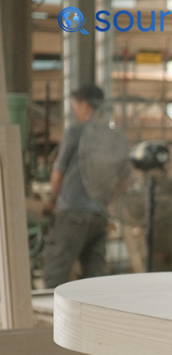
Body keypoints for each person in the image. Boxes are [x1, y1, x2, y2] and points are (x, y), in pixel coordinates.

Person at [42, 84, 108, 288]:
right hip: (100, 216)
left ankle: (53, 309)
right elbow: (123, 179)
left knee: (56, 271)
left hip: (73, 212)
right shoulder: (113, 136)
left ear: (85, 105)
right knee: (95, 276)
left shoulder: (76, 132)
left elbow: (58, 171)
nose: (75, 112)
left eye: (75, 107)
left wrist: (51, 201)